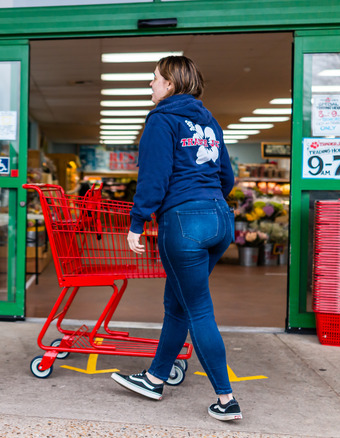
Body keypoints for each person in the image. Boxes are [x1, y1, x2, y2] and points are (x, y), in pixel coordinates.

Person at [110, 56, 240, 421]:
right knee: (179, 302)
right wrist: (209, 201)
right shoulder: (209, 121)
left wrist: (137, 222)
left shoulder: (160, 121)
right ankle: (154, 377)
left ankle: (226, 399)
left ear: (169, 84)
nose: (150, 86)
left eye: (153, 79)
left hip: (184, 222)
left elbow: (154, 178)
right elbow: (226, 175)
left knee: (198, 308)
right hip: (219, 219)